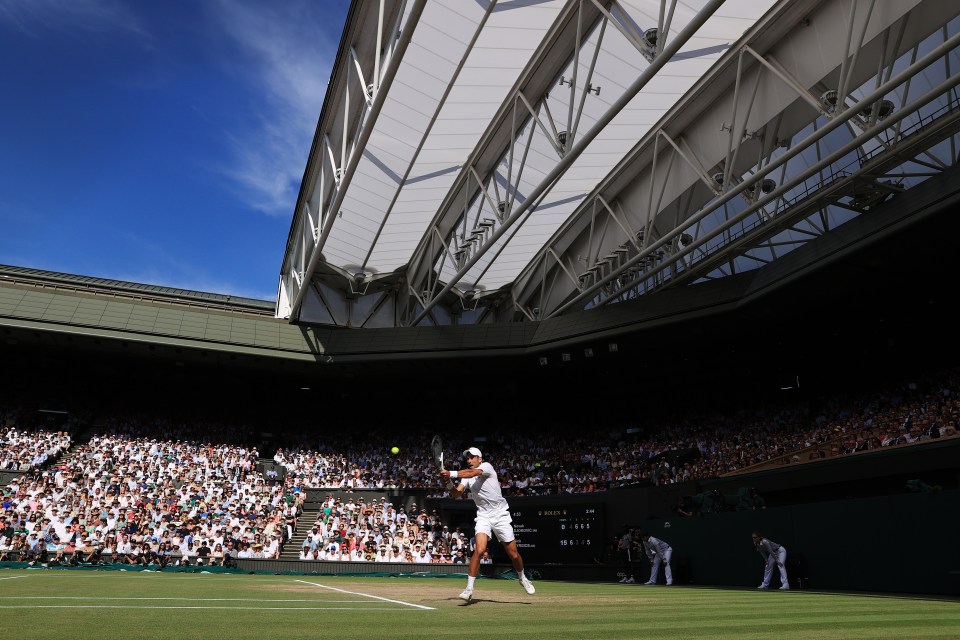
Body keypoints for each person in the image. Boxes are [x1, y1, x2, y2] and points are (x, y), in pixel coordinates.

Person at [441, 447, 535, 601]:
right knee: (479, 549)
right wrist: (449, 483)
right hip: (483, 515)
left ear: (480, 459)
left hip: (501, 515)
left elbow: (473, 473)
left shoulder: (486, 467)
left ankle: (522, 578)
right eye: (468, 458)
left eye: (472, 457)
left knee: (513, 554)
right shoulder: (466, 476)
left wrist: (450, 473)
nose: (469, 460)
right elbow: (457, 494)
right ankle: (469, 589)